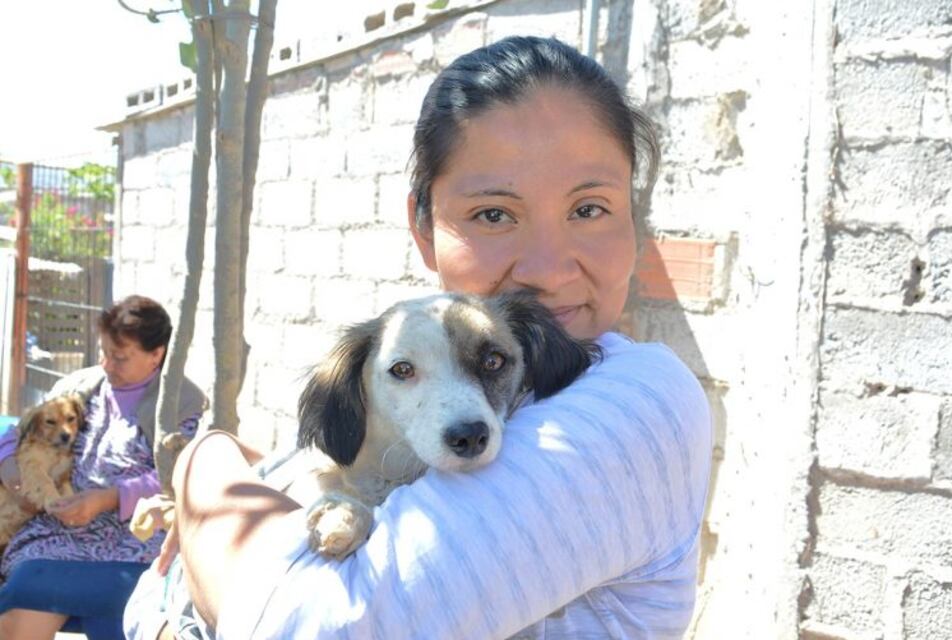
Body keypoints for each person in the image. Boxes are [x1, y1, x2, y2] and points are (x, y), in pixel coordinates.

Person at [129, 35, 712, 639]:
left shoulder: (640, 404)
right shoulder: (413, 365)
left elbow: (299, 628)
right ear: (424, 225)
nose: (547, 269)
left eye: (589, 208)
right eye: (494, 214)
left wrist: (202, 463)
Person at [0, 295, 208, 640]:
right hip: (61, 528)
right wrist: (8, 463)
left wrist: (110, 498)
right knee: (23, 610)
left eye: (120, 357)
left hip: (135, 536)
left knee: (54, 592)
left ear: (156, 355)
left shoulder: (179, 401)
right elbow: (18, 429)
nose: (107, 364)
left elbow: (176, 475)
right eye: (105, 352)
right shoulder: (84, 386)